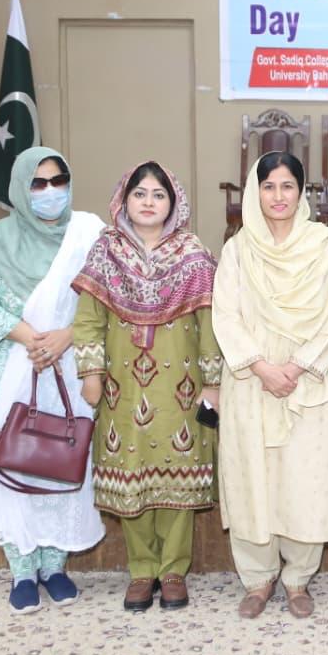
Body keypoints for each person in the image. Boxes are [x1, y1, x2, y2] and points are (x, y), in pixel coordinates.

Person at [0, 147, 106, 614]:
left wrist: (66, 337)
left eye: (58, 181)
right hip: (13, 364)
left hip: (70, 365)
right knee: (14, 463)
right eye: (38, 183)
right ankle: (22, 571)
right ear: (20, 188)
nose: (50, 191)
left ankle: (54, 567)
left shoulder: (88, 234)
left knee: (63, 461)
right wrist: (32, 338)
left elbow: (108, 297)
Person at [211, 152, 328, 619]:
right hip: (251, 379)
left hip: (307, 380)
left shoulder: (323, 245)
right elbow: (225, 315)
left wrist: (296, 368)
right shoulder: (238, 249)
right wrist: (262, 368)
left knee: (305, 478)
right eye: (268, 186)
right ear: (254, 192)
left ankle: (298, 578)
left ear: (301, 193)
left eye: (287, 186)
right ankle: (258, 578)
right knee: (251, 477)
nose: (278, 196)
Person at [71, 162, 221, 612]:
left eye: (159, 194)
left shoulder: (193, 254)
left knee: (178, 473)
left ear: (173, 204)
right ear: (124, 200)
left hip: (180, 387)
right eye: (140, 193)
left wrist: (213, 383)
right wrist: (91, 373)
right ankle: (141, 570)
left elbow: (211, 324)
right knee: (130, 474)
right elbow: (88, 320)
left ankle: (173, 570)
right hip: (123, 387)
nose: (149, 202)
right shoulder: (106, 252)